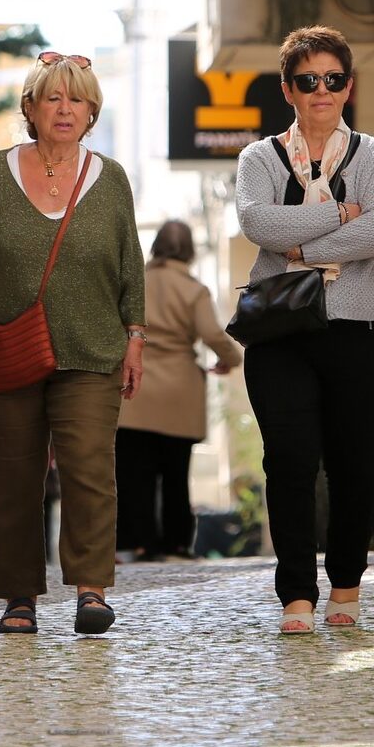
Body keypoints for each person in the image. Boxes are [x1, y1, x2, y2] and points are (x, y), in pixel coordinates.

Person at [0, 51, 146, 635]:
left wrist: (136, 336)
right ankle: (20, 597)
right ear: (29, 108)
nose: (64, 108)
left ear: (91, 112)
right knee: (13, 476)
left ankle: (90, 589)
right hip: (9, 346)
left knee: (87, 470)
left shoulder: (109, 180)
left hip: (93, 348)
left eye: (76, 98)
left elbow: (132, 263)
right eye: (52, 97)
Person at [235, 25, 374, 634]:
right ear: (289, 89)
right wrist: (337, 213)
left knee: (357, 463)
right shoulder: (258, 157)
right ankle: (296, 597)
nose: (322, 91)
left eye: (333, 79)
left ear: (349, 86)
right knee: (289, 461)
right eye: (308, 81)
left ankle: (348, 588)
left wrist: (300, 244)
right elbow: (257, 224)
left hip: (359, 327)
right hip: (281, 333)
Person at [115, 220, 243, 560]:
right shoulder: (193, 290)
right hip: (179, 391)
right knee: (175, 473)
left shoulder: (133, 283)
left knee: (133, 474)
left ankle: (137, 541)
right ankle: (175, 543)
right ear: (189, 251)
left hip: (133, 387)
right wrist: (231, 358)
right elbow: (212, 334)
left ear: (156, 246)